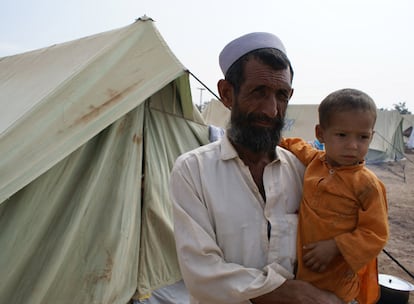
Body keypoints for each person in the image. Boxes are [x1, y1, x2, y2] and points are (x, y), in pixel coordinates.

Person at [169, 32, 343, 304]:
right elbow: (200, 271)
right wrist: (285, 293)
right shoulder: (193, 171)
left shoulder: (301, 170)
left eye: (281, 95)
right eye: (258, 92)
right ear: (227, 93)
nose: (272, 110)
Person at [279, 88, 389, 303]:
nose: (353, 146)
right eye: (342, 135)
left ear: (372, 136)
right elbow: (295, 145)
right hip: (301, 271)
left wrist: (336, 246)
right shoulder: (315, 162)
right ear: (321, 133)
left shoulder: (367, 184)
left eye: (363, 137)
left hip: (336, 281)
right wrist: (274, 142)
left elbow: (375, 233)